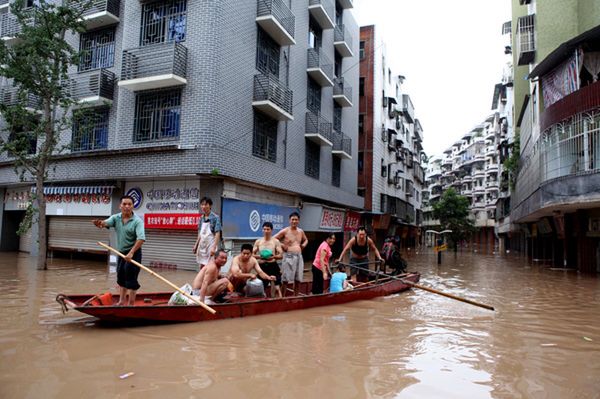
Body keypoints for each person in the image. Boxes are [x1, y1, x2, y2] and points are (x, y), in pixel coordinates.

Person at [93, 195, 145, 306]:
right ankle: (121, 301)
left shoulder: (137, 221)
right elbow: (106, 223)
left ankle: (131, 304)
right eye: (124, 204)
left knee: (131, 278)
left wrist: (131, 253)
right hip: (121, 253)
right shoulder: (116, 218)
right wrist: (100, 224)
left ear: (133, 206)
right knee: (121, 276)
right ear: (120, 206)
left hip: (134, 253)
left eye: (129, 204)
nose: (126, 206)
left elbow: (141, 239)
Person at [274, 212, 308, 297]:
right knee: (285, 279)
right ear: (289, 220)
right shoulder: (285, 230)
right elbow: (274, 239)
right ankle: (282, 297)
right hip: (288, 256)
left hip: (299, 256)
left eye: (296, 219)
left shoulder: (301, 231)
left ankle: (295, 296)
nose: (294, 221)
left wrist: (303, 245)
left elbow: (306, 240)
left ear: (298, 221)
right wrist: (282, 245)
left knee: (298, 279)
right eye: (292, 219)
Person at [253, 222, 283, 298]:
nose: (266, 231)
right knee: (261, 287)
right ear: (262, 230)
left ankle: (279, 303)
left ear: (271, 230)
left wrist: (273, 257)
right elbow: (252, 255)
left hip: (273, 266)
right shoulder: (258, 241)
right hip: (262, 266)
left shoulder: (275, 241)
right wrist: (260, 256)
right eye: (264, 229)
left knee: (277, 288)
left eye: (268, 229)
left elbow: (281, 255)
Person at [192, 197, 222, 270]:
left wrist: (214, 247)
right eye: (202, 205)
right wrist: (196, 245)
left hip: (211, 244)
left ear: (210, 205)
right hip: (202, 245)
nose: (203, 207)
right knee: (202, 265)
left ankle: (211, 280)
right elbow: (200, 233)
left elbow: (217, 233)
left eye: (206, 205)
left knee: (211, 265)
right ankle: (201, 280)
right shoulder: (201, 218)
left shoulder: (215, 217)